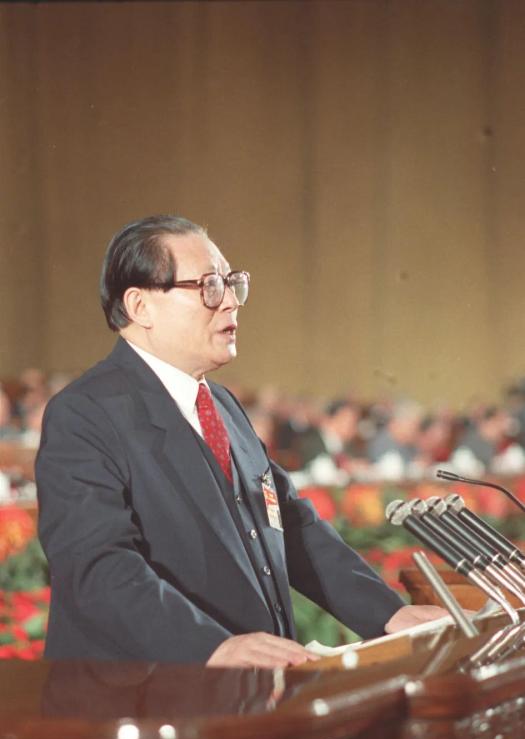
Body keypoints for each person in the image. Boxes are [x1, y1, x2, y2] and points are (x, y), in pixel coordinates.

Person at [36, 215, 444, 668]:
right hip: (148, 691)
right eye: (209, 286)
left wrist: (389, 615)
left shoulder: (222, 405)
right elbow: (97, 567)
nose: (231, 302)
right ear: (140, 306)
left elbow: (290, 525)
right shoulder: (86, 413)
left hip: (252, 689)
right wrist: (212, 647)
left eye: (232, 283)